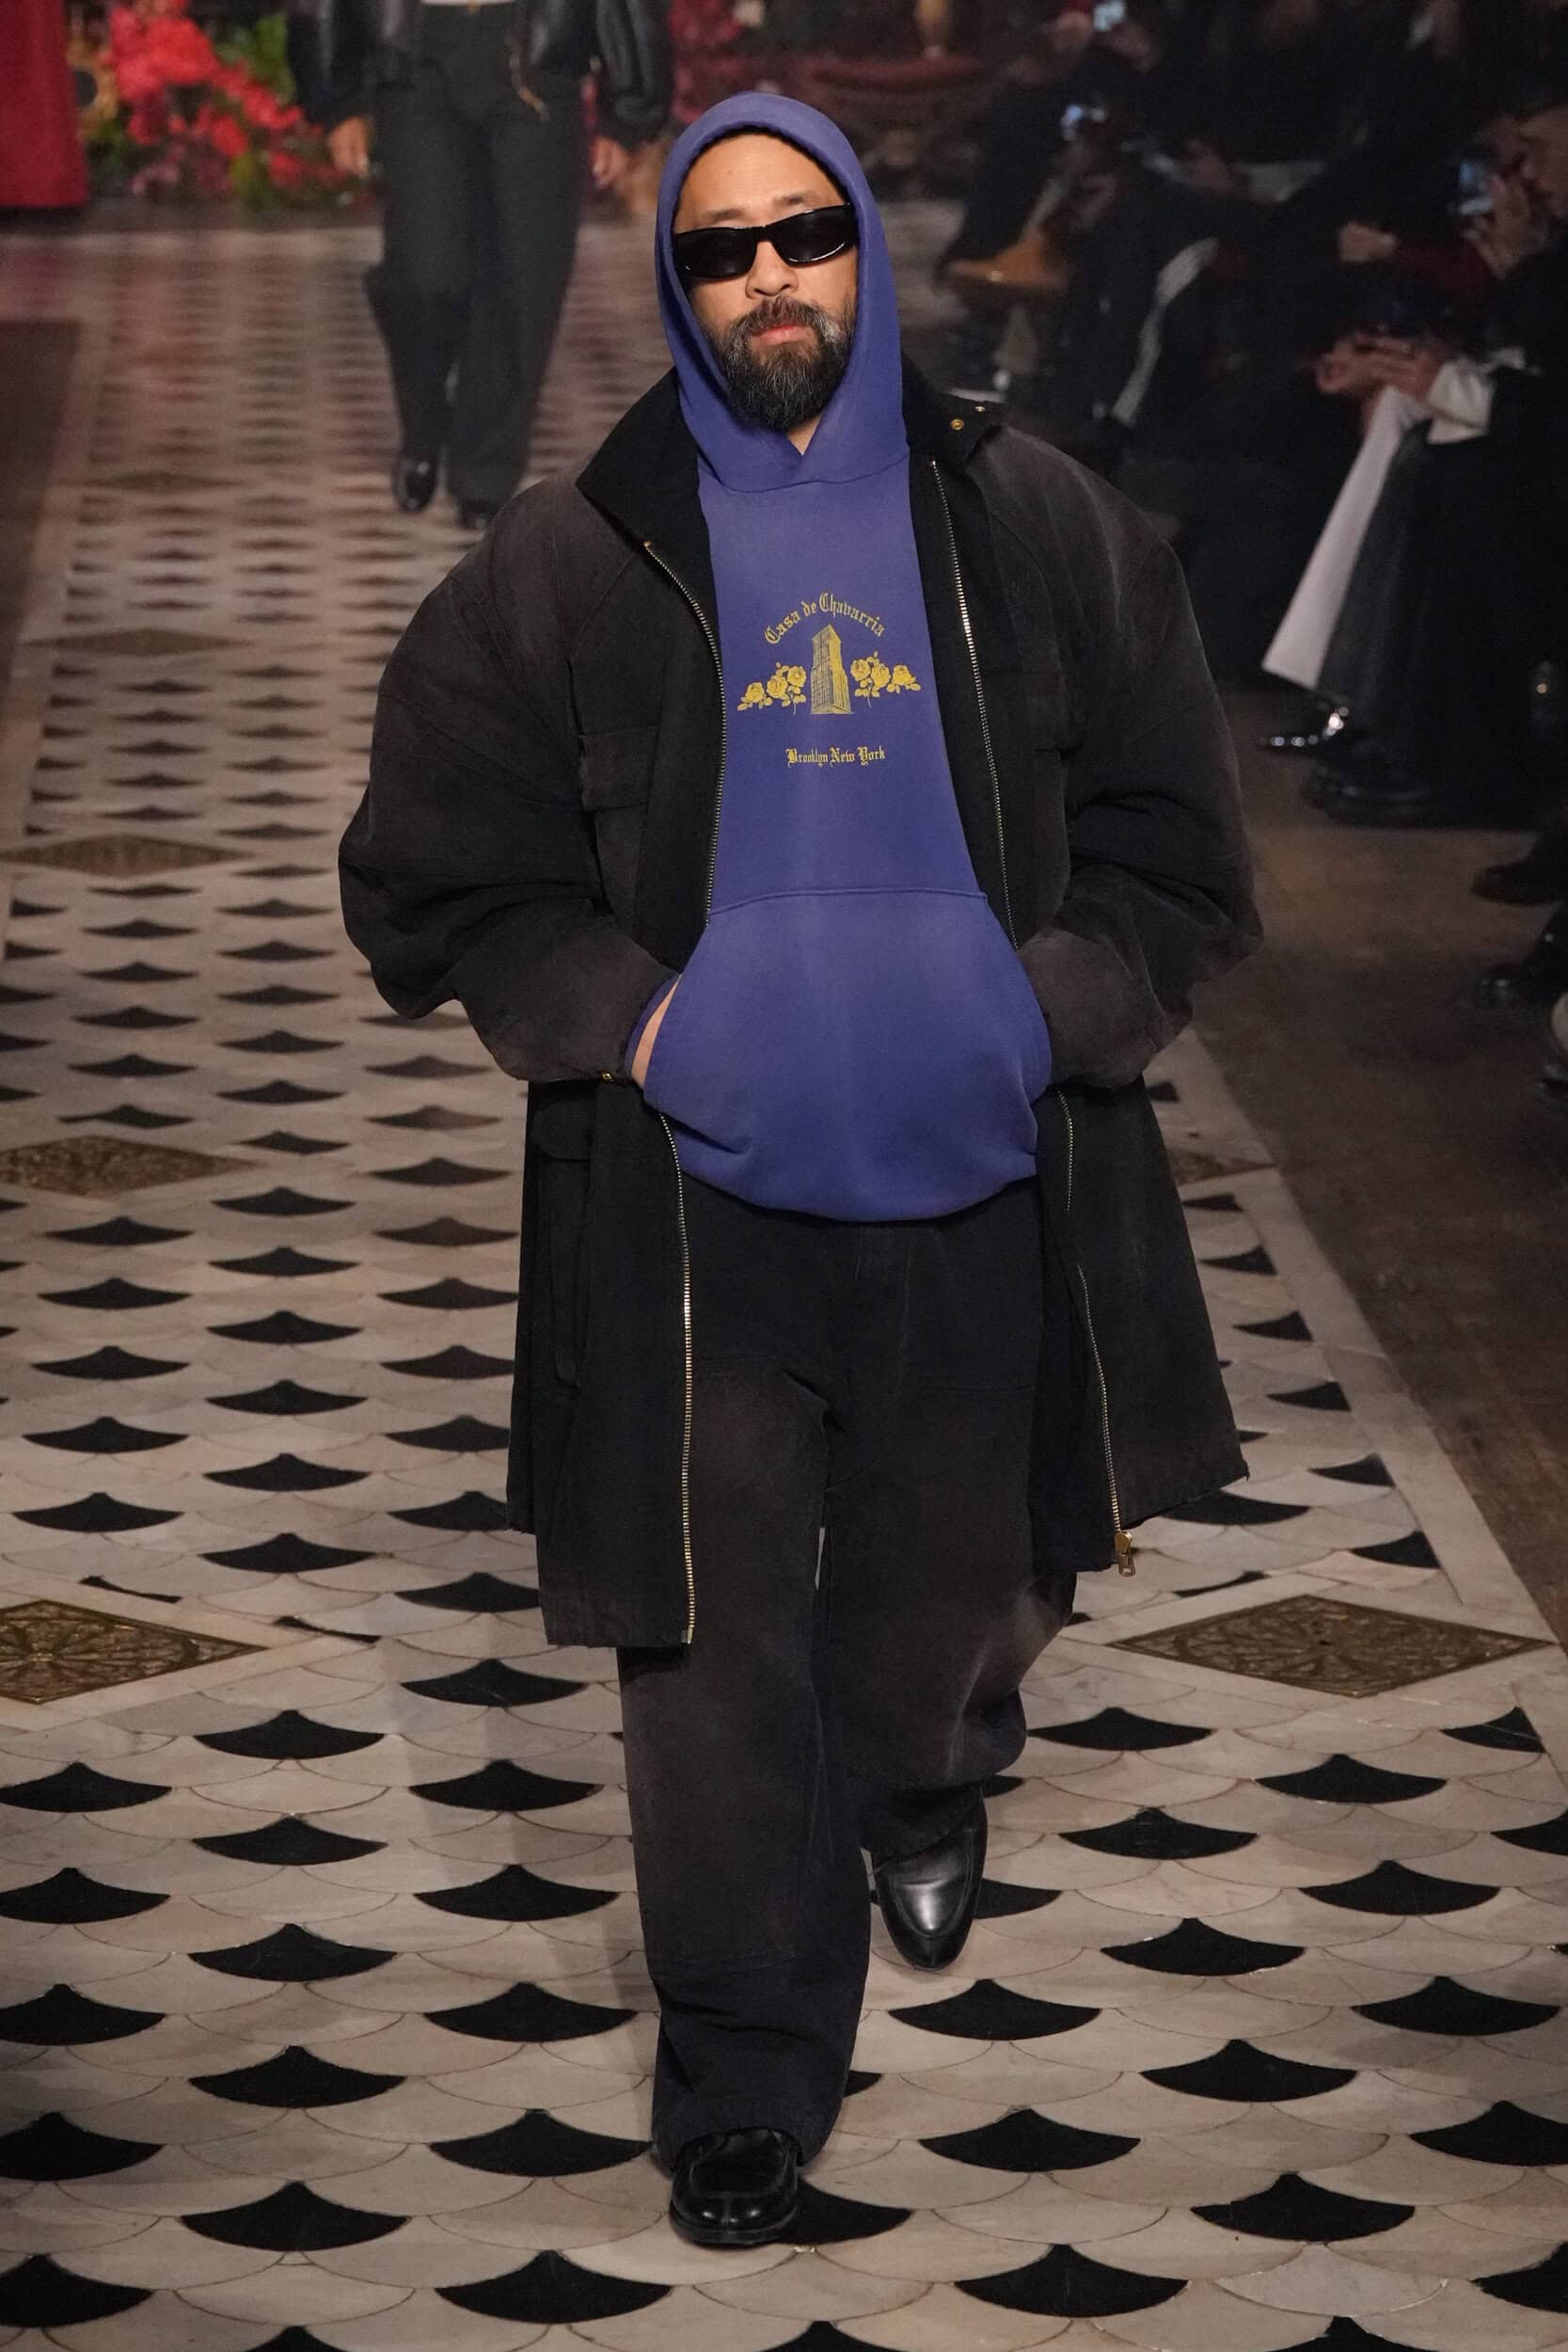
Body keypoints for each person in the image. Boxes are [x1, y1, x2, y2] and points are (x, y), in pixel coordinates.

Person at [341, 91, 1259, 2249]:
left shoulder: (1035, 519)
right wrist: (642, 1021)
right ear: (675, 280)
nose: (768, 277)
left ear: (862, 248)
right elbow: (431, 873)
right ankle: (741, 2074)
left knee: (956, 1597)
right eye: (722, 246)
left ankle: (927, 1766)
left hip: (986, 1188)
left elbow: (1179, 858)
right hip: (690, 1218)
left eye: (803, 235)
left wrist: (1036, 1009)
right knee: (709, 1661)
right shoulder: (578, 557)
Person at [285, 0, 671, 527]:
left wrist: (627, 109)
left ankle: (484, 470)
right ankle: (423, 424)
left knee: (524, 275)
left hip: (534, 58)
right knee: (424, 275)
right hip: (416, 55)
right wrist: (336, 99)